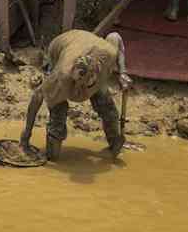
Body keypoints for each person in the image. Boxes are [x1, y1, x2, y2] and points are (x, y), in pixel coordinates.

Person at [20, 30, 132, 161]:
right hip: (59, 48)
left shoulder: (108, 54)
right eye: (76, 82)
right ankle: (52, 155)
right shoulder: (63, 74)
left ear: (94, 77)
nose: (78, 88)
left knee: (107, 106)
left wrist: (123, 72)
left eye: (83, 84)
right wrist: (26, 135)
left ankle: (114, 144)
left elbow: (115, 36)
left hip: (87, 45)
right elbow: (38, 95)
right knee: (58, 112)